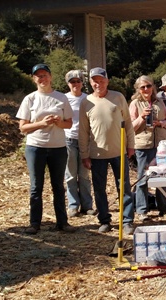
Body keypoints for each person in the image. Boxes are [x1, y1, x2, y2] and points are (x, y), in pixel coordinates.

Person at [16, 63, 75, 234]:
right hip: (36, 147)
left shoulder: (61, 98)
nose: (42, 79)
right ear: (34, 79)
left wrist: (58, 122)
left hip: (58, 148)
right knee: (36, 186)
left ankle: (62, 223)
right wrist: (42, 123)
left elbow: (69, 123)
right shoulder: (30, 99)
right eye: (39, 76)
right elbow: (23, 128)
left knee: (58, 185)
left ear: (51, 77)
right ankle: (35, 223)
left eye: (45, 75)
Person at [78, 67, 135, 234]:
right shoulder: (86, 102)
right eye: (95, 81)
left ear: (107, 81)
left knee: (123, 187)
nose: (98, 84)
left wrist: (130, 145)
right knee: (99, 189)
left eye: (101, 80)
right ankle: (104, 220)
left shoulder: (118, 97)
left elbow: (128, 124)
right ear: (90, 82)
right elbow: (83, 131)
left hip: (119, 151)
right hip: (97, 154)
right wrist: (84, 154)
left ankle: (127, 221)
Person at [129, 75, 166, 221]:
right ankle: (142, 210)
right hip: (143, 146)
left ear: (153, 87)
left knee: (163, 177)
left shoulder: (159, 102)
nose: (146, 89)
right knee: (143, 178)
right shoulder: (135, 103)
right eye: (143, 87)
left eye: (148, 86)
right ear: (138, 89)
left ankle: (163, 207)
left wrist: (159, 123)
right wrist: (142, 117)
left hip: (161, 146)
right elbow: (131, 128)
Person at [63, 70, 95, 217]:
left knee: (84, 175)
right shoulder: (63, 99)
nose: (75, 84)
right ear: (68, 84)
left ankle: (87, 205)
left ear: (82, 83)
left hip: (84, 141)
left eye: (78, 81)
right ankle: (73, 205)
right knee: (70, 175)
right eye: (72, 82)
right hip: (68, 139)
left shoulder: (88, 99)